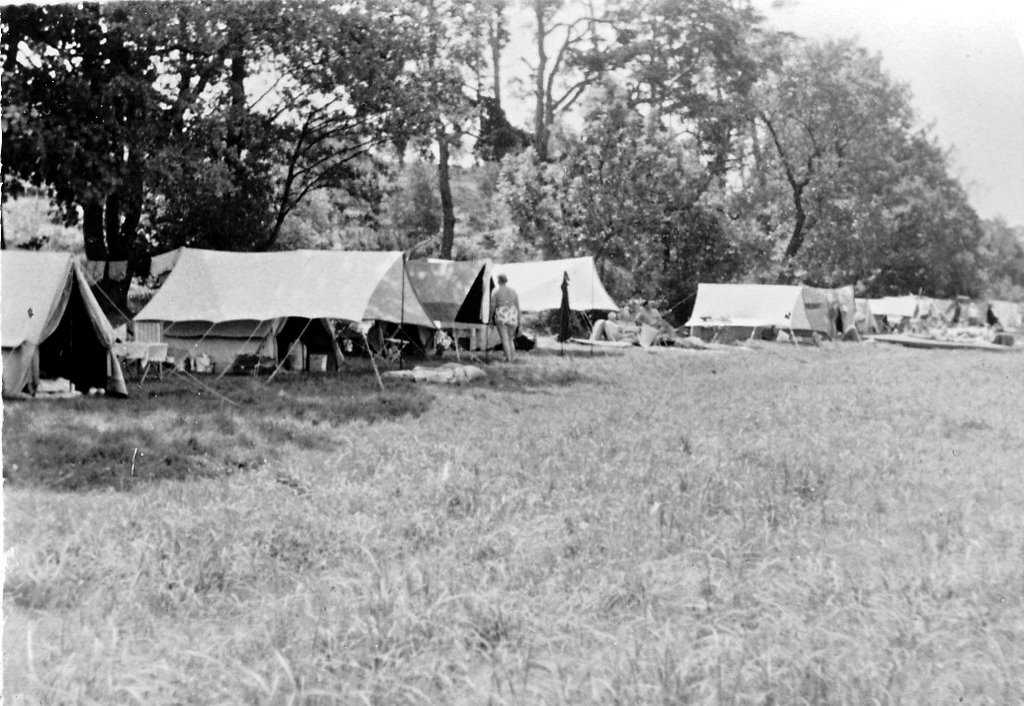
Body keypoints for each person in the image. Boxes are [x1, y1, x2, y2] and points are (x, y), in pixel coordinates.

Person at [490, 273, 521, 362]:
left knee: (504, 339)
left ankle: (508, 359)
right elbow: (518, 306)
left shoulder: (496, 292)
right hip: (512, 315)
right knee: (511, 339)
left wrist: (490, 319)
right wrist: (519, 320)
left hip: (501, 315)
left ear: (499, 281)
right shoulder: (513, 291)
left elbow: (493, 306)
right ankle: (513, 357)